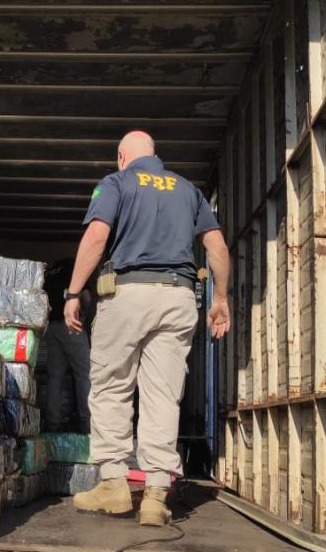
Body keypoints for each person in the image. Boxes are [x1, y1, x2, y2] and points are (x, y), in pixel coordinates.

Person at [63, 130, 230, 526]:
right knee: (163, 394)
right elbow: (217, 247)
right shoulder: (188, 190)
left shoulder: (116, 182)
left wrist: (73, 292)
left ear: (122, 157)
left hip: (128, 294)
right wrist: (221, 298)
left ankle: (114, 483)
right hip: (179, 298)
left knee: (111, 385)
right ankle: (155, 494)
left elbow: (97, 237)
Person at [42, 257, 92, 432]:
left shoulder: (49, 272)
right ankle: (87, 423)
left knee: (54, 376)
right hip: (71, 324)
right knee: (84, 373)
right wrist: (86, 316)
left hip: (51, 326)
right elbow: (85, 297)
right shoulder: (76, 268)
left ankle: (52, 423)